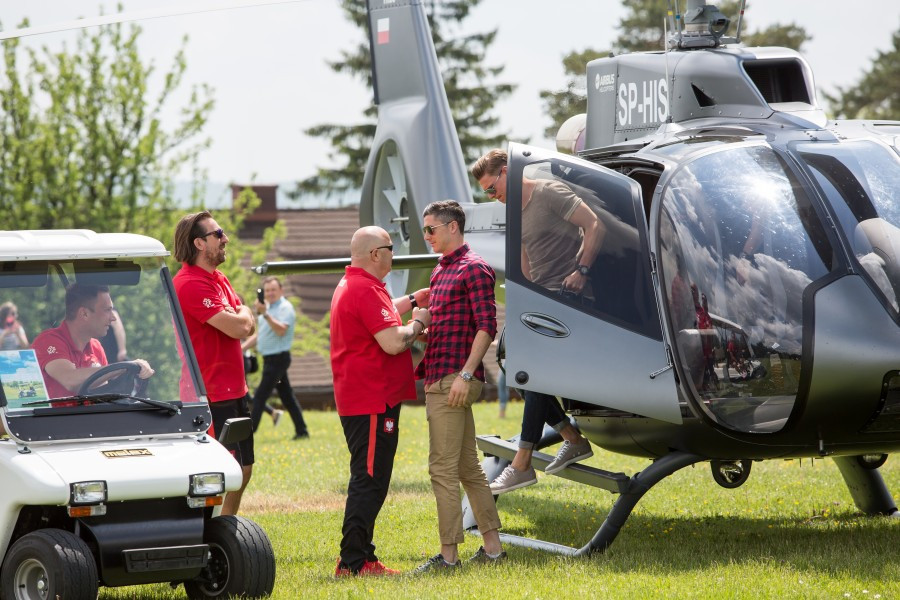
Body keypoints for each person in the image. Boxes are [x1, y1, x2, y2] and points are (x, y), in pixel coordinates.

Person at [472, 148, 596, 493]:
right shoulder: (514, 212)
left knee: (532, 373)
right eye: (485, 192)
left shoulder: (548, 193)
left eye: (491, 187)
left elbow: (594, 226)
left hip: (568, 299)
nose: (491, 196)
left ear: (506, 171)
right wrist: (521, 301)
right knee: (516, 368)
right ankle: (571, 437)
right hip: (540, 302)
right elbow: (526, 263)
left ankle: (522, 462)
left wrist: (582, 272)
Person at [330, 225, 431, 577]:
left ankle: (360, 556)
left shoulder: (358, 283)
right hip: (372, 399)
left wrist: (414, 301)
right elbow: (392, 340)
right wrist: (419, 323)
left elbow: (384, 312)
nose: (394, 253)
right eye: (390, 247)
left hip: (367, 398)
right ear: (376, 254)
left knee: (371, 477)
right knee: (369, 479)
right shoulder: (364, 289)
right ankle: (354, 562)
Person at [413, 200, 506, 573]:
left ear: (453, 227)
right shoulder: (440, 271)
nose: (427, 236)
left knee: (442, 470)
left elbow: (487, 325)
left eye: (431, 229)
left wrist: (467, 375)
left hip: (455, 379)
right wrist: (419, 325)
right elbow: (450, 329)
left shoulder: (475, 268)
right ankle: (494, 550)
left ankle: (448, 557)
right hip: (439, 375)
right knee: (468, 468)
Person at [173, 211, 255, 516]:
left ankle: (225, 530)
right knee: (217, 474)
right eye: (217, 234)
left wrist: (242, 314)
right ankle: (206, 532)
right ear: (199, 243)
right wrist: (243, 312)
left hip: (234, 390)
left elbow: (246, 323)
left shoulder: (218, 279)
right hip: (209, 394)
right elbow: (240, 326)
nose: (225, 239)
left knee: (243, 468)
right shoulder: (189, 284)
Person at [32, 284, 154, 399]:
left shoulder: (96, 347)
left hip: (89, 420)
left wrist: (131, 372)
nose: (113, 317)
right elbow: (69, 380)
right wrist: (123, 367)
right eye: (107, 310)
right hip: (52, 421)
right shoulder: (48, 341)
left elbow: (103, 395)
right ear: (84, 313)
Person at [242, 276, 309, 439]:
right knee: (287, 397)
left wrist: (265, 315)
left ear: (281, 291)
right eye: (267, 290)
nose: (270, 293)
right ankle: (302, 431)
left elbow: (281, 330)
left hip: (278, 359)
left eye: (273, 290)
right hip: (269, 360)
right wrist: (241, 348)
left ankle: (248, 434)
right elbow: (260, 335)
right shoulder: (268, 309)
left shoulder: (285, 308)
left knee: (259, 396)